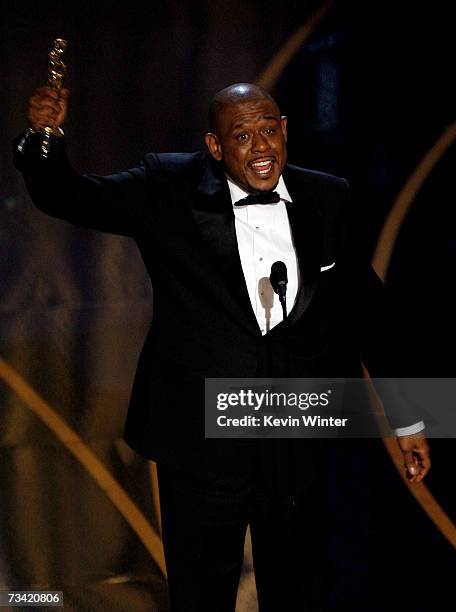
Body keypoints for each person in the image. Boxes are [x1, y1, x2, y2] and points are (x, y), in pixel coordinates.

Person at [14, 82, 430, 611]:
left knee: (301, 587)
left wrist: (411, 420)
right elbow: (67, 195)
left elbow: (369, 311)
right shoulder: (168, 186)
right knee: (202, 593)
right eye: (242, 136)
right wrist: (44, 138)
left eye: (268, 131)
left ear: (285, 132)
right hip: (201, 439)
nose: (260, 148)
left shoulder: (328, 197)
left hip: (293, 433)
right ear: (214, 147)